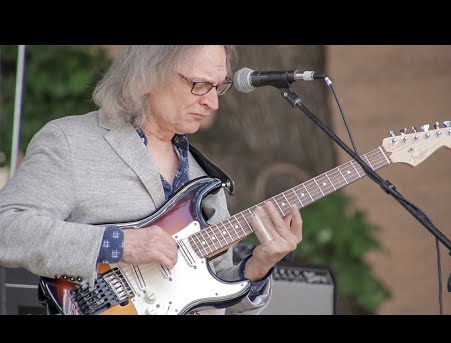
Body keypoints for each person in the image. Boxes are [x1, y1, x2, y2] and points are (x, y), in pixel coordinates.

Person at [0, 45, 303, 315]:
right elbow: (7, 228)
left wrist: (258, 266)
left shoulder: (205, 178)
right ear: (146, 77)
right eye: (199, 85)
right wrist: (117, 244)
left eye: (218, 87)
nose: (213, 103)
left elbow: (218, 298)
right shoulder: (70, 141)